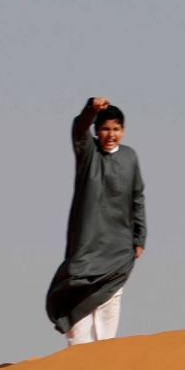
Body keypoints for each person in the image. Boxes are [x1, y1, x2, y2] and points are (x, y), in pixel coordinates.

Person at [45, 97, 146, 346]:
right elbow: (78, 129)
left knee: (110, 301)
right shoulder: (88, 153)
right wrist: (92, 108)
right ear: (97, 131)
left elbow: (137, 197)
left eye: (116, 129)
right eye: (105, 129)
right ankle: (79, 357)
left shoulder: (130, 157)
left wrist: (139, 237)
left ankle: (103, 357)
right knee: (78, 293)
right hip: (87, 245)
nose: (111, 135)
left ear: (123, 131)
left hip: (118, 246)